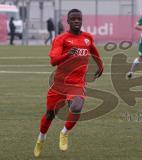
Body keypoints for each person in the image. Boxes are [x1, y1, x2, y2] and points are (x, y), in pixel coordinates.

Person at [34, 9, 104, 157]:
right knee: (49, 115)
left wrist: (100, 65)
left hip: (77, 83)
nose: (77, 21)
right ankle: (41, 138)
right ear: (68, 21)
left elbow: (93, 51)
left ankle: (64, 133)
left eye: (79, 19)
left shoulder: (87, 38)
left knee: (77, 107)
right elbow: (53, 61)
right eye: (73, 19)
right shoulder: (61, 39)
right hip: (59, 84)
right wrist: (68, 54)